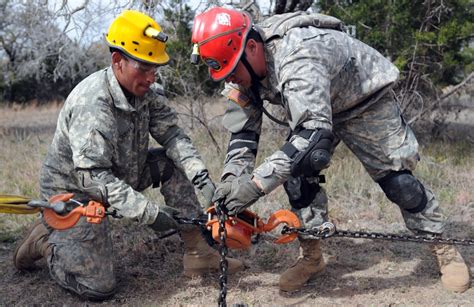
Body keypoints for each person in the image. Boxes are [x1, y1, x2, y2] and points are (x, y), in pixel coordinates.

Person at [190, 7, 470, 293]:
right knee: (298, 178)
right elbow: (242, 132)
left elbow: (312, 137)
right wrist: (230, 184)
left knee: (400, 183)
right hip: (316, 107)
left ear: (251, 47)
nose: (229, 79)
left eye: (232, 70)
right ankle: (311, 257)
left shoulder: (298, 57)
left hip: (364, 99)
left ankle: (444, 249)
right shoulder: (243, 64)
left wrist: (254, 186)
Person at [13, 10, 243, 300]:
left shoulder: (148, 92)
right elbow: (92, 176)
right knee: (98, 287)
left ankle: (197, 251)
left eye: (155, 68)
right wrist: (149, 213)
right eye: (144, 67)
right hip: (75, 195)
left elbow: (172, 135)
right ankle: (46, 240)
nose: (151, 76)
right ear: (117, 61)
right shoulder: (93, 104)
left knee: (170, 161)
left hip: (124, 172)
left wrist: (200, 176)